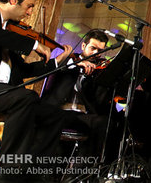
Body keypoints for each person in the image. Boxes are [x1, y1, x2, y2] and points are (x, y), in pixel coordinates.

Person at [0, 0, 73, 181]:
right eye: (29, 6)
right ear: (14, 0)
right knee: (26, 97)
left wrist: (56, 63)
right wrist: (34, 44)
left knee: (54, 115)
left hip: (5, 91)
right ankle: (7, 173)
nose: (30, 12)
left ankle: (35, 172)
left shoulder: (8, 30)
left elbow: (24, 70)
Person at [41, 29, 111, 158]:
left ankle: (80, 171)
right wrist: (76, 64)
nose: (96, 53)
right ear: (84, 46)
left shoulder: (98, 70)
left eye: (100, 51)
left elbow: (97, 102)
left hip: (81, 115)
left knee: (102, 122)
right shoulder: (68, 60)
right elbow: (56, 67)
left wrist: (92, 79)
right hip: (59, 112)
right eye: (93, 48)